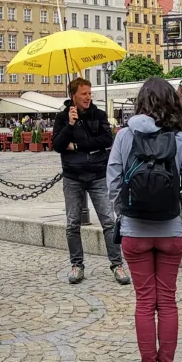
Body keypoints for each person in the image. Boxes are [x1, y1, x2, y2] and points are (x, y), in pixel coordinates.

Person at [107, 77, 182, 362]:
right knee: (168, 302)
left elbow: (113, 184)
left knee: (145, 302)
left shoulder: (124, 136)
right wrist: (179, 213)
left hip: (135, 232)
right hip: (171, 231)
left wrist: (125, 210)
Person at [53, 78, 130, 285]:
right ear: (73, 96)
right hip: (72, 176)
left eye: (89, 93)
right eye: (84, 94)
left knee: (108, 221)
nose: (88, 97)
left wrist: (77, 146)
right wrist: (70, 126)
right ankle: (77, 265)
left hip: (97, 175)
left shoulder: (99, 114)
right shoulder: (62, 118)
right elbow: (58, 145)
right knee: (72, 224)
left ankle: (117, 264)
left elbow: (106, 140)